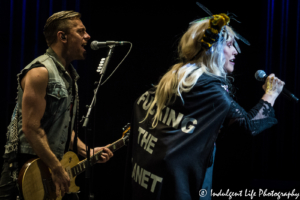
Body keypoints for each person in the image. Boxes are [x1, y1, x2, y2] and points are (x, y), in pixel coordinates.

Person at [123, 11, 284, 200]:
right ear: (213, 49)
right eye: (231, 45)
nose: (236, 52)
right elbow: (248, 126)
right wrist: (271, 94)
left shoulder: (178, 76)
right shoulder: (211, 90)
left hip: (151, 186)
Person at [0, 11, 113, 200]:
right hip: (25, 169)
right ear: (62, 37)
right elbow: (31, 127)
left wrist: (88, 151)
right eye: (81, 31)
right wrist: (57, 167)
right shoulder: (40, 72)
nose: (88, 36)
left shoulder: (69, 77)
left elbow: (61, 126)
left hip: (50, 167)